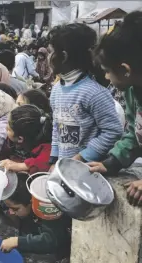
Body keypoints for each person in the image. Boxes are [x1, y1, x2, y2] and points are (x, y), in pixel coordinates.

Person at [47, 23, 123, 166]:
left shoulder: (94, 93)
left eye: (51, 51)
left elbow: (113, 131)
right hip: (65, 168)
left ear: (63, 56)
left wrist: (82, 157)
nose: (48, 56)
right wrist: (54, 158)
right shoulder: (57, 90)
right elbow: (57, 127)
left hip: (88, 171)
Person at [88, 11, 142, 206]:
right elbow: (134, 133)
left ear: (125, 70)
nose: (108, 78)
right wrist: (112, 163)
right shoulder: (133, 91)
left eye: (107, 72)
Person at [0, 173, 71, 255]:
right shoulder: (14, 199)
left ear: (30, 202)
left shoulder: (46, 208)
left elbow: (50, 241)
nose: (10, 212)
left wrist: (17, 241)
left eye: (15, 209)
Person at [0, 104, 52, 174]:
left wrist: (22, 166)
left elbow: (44, 163)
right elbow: (3, 154)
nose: (5, 128)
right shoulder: (11, 140)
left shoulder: (47, 147)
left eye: (8, 129)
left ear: (20, 139)